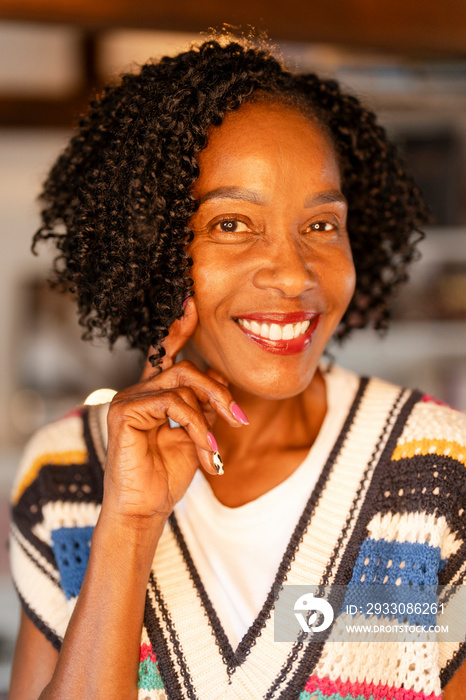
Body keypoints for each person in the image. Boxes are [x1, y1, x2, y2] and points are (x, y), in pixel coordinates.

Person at [8, 37, 466, 700]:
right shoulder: (66, 476)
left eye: (321, 225)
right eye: (231, 223)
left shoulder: (436, 470)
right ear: (154, 245)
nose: (292, 273)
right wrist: (129, 526)